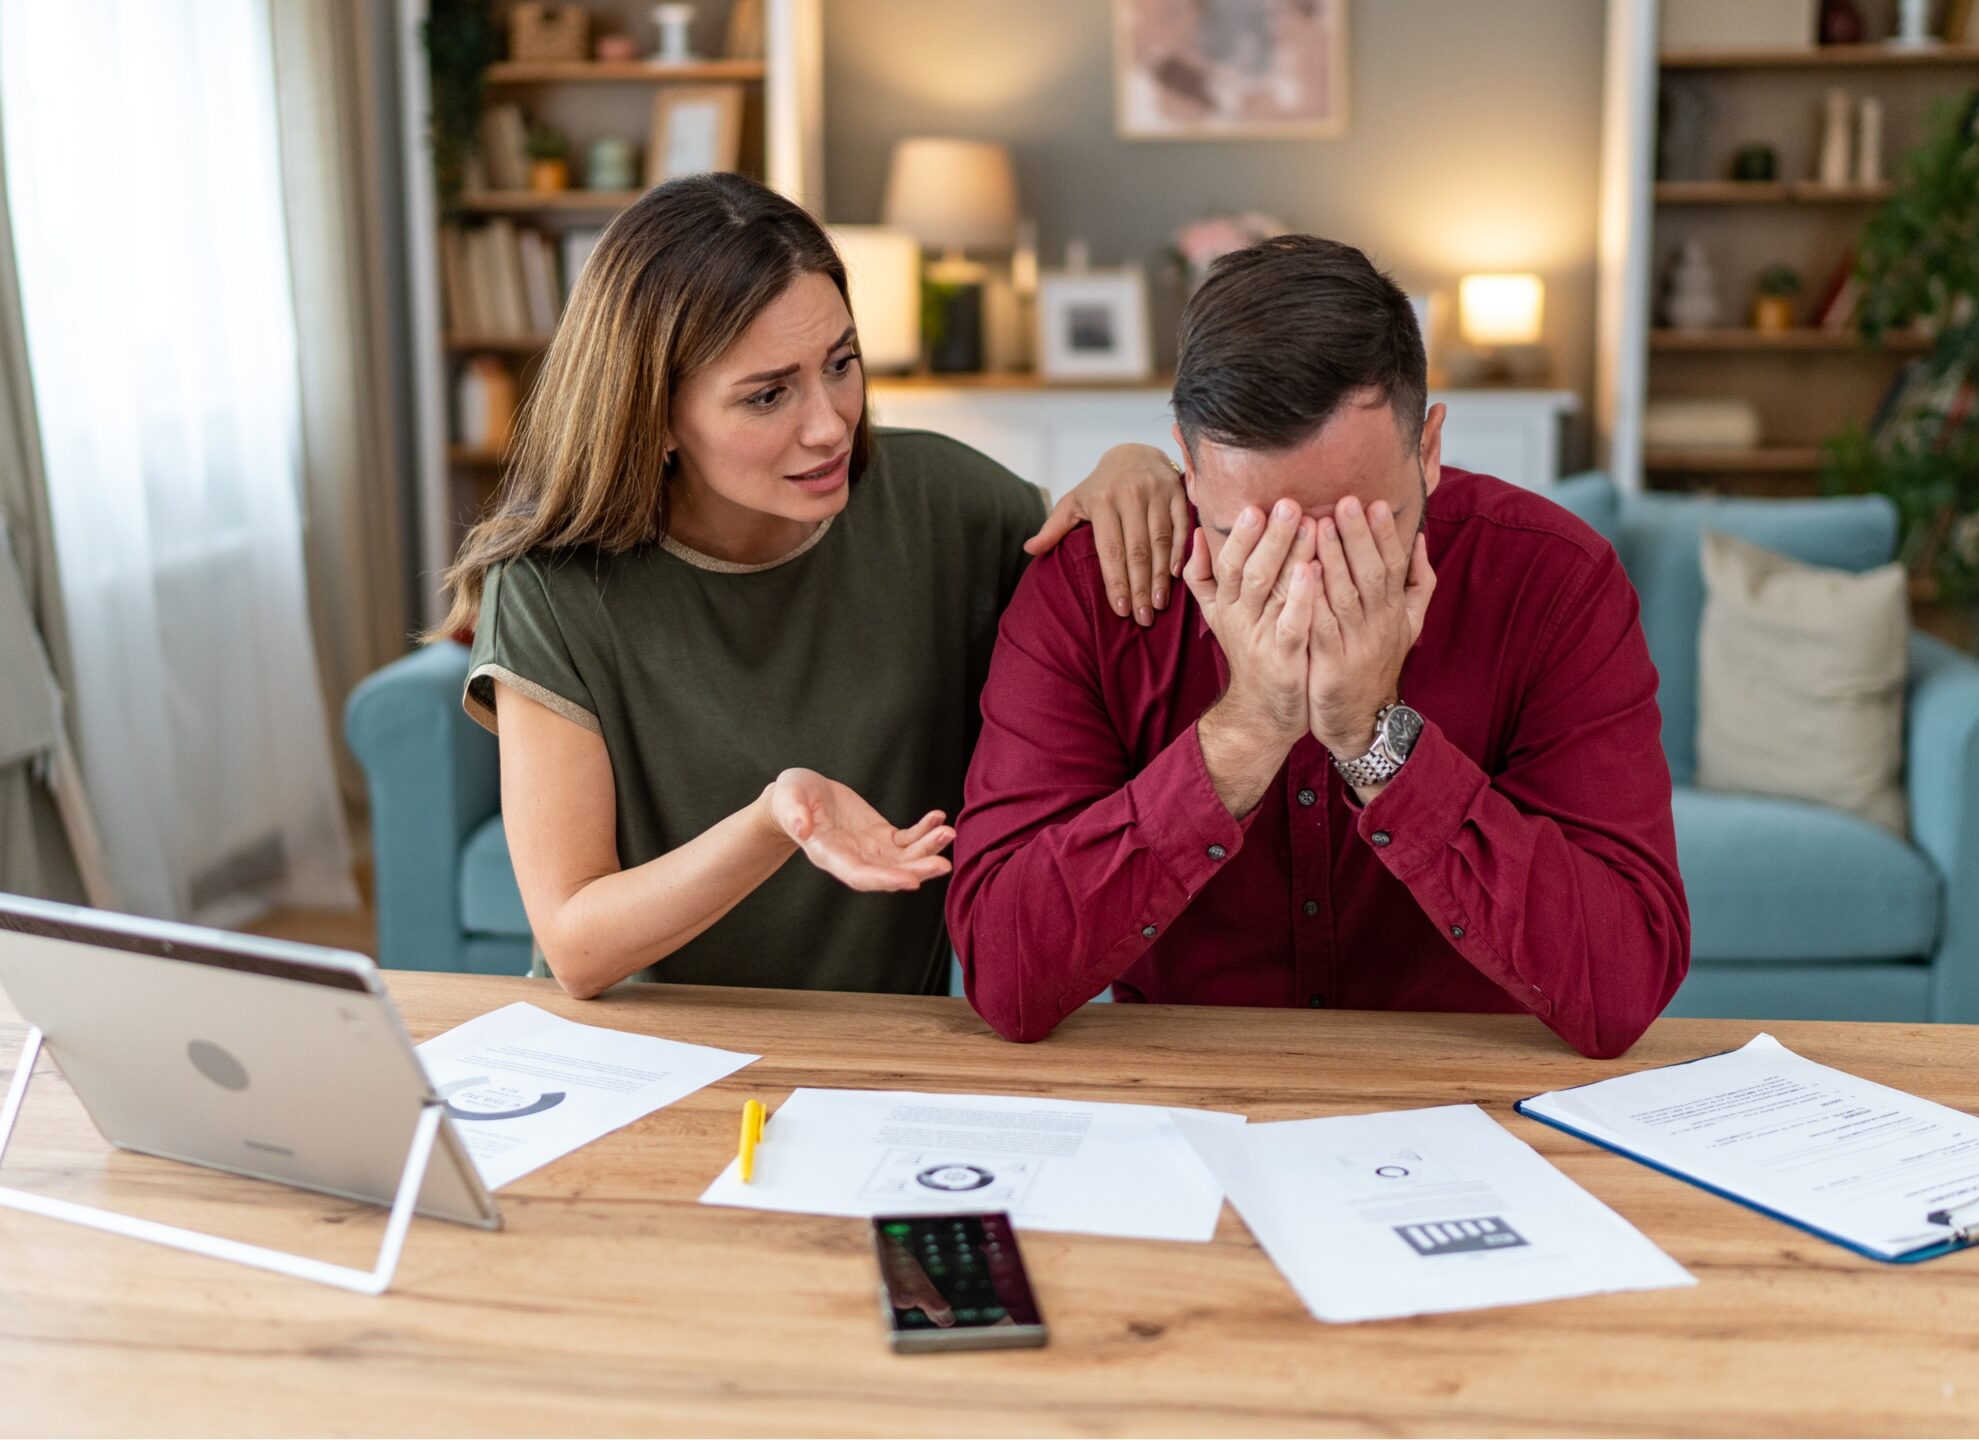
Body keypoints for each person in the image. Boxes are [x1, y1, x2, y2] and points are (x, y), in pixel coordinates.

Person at [439, 173, 1188, 999]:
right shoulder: (552, 585)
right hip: (638, 1050)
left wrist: (1135, 464)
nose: (830, 423)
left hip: (877, 1050)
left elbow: (1109, 638)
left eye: (841, 364)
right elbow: (576, 945)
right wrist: (777, 823)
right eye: (768, 395)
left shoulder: (953, 508)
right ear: (653, 418)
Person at [946, 235, 1689, 1058]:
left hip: (1468, 1098)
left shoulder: (1554, 581)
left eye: (1355, 534)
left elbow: (1621, 988)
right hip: (1187, 1102)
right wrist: (1246, 730)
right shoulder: (1094, 588)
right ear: (1189, 469)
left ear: (1429, 450)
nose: (1307, 584)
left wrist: (1380, 740)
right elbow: (1006, 977)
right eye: (1251, 539)